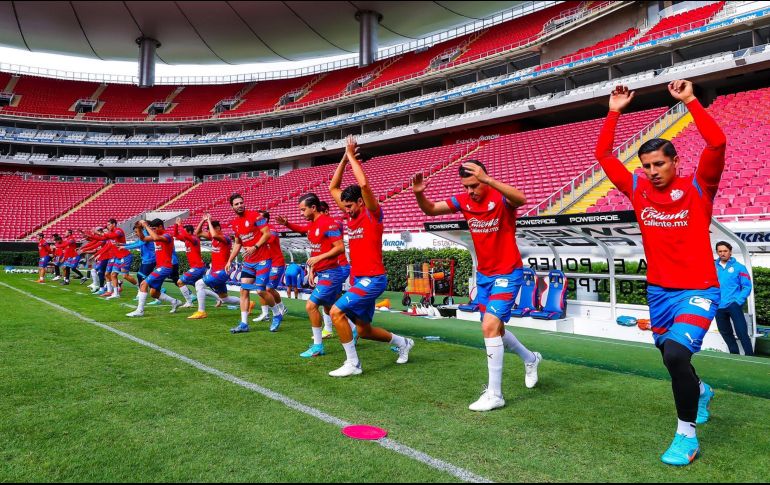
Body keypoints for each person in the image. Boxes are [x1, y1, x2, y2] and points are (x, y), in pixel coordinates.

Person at [595, 80, 726, 466]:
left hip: (699, 289)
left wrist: (690, 101)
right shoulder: (637, 188)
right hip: (660, 293)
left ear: (675, 163)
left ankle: (687, 436)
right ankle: (700, 390)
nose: (652, 171)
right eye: (647, 166)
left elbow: (717, 145)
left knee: (675, 353)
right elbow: (603, 154)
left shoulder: (699, 187)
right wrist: (614, 110)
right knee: (672, 357)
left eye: (659, 164)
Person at [413, 158, 542, 412]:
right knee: (496, 330)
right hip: (484, 276)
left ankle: (495, 395)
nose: (470, 191)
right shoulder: (463, 201)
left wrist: (488, 180)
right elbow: (430, 209)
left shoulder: (500, 196)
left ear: (483, 178)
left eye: (474, 185)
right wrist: (419, 194)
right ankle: (531, 358)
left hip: (508, 272)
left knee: (489, 326)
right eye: (466, 186)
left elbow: (522, 199)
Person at [327, 135, 414, 377]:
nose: (346, 210)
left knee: (336, 312)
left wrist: (353, 157)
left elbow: (364, 186)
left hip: (373, 279)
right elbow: (333, 188)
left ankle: (353, 364)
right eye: (344, 207)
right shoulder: (350, 214)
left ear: (360, 203)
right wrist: (344, 159)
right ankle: (402, 343)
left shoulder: (372, 214)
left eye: (350, 206)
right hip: (359, 279)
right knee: (364, 330)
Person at [276, 193, 346, 358]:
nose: (301, 213)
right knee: (332, 308)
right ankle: (355, 329)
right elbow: (301, 230)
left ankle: (317, 346)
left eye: (303, 210)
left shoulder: (329, 224)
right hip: (323, 273)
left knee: (310, 306)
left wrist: (318, 258)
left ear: (313, 207)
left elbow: (340, 248)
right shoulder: (312, 224)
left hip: (332, 274)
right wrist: (287, 223)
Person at [226, 193, 282, 334]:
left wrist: (254, 247)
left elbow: (267, 234)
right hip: (248, 263)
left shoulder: (256, 216)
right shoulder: (235, 223)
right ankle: (244, 324)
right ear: (232, 206)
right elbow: (238, 243)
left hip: (263, 260)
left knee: (260, 290)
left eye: (241, 203)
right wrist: (230, 260)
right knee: (243, 291)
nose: (239, 205)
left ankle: (277, 314)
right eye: (236, 204)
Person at [189, 214, 242, 319]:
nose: (209, 232)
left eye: (211, 229)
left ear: (218, 228)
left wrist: (209, 221)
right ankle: (248, 303)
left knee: (199, 284)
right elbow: (197, 233)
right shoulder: (213, 237)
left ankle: (201, 311)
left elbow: (213, 235)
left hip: (223, 271)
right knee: (224, 298)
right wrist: (203, 220)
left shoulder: (225, 238)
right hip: (215, 271)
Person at [125, 219, 182, 317]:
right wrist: (139, 227)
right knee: (154, 293)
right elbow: (143, 239)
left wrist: (146, 225)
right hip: (160, 267)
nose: (153, 230)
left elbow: (155, 238)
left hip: (165, 267)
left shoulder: (167, 236)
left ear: (161, 226)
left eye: (155, 228)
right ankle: (175, 301)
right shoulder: (157, 236)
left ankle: (140, 311)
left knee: (143, 284)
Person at [714, 241, 754, 356]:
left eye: (725, 251)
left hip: (734, 305)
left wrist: (738, 301)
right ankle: (734, 355)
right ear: (717, 252)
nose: (722, 253)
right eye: (720, 251)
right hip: (718, 306)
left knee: (742, 332)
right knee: (725, 332)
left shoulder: (739, 267)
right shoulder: (712, 268)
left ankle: (750, 357)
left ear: (730, 252)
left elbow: (747, 286)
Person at [252, 211, 287, 323]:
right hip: (266, 262)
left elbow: (269, 239)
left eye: (259, 217)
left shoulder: (272, 229)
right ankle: (265, 314)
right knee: (261, 288)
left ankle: (282, 308)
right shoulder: (259, 231)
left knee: (269, 288)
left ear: (265, 220)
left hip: (277, 263)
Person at [172, 218, 207, 309]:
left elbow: (184, 235)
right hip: (196, 267)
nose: (184, 234)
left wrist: (180, 225)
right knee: (199, 286)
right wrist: (176, 225)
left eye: (186, 232)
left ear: (190, 232)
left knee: (180, 282)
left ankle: (189, 302)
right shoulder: (187, 240)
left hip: (198, 267)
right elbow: (175, 235)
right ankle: (219, 298)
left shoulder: (194, 239)